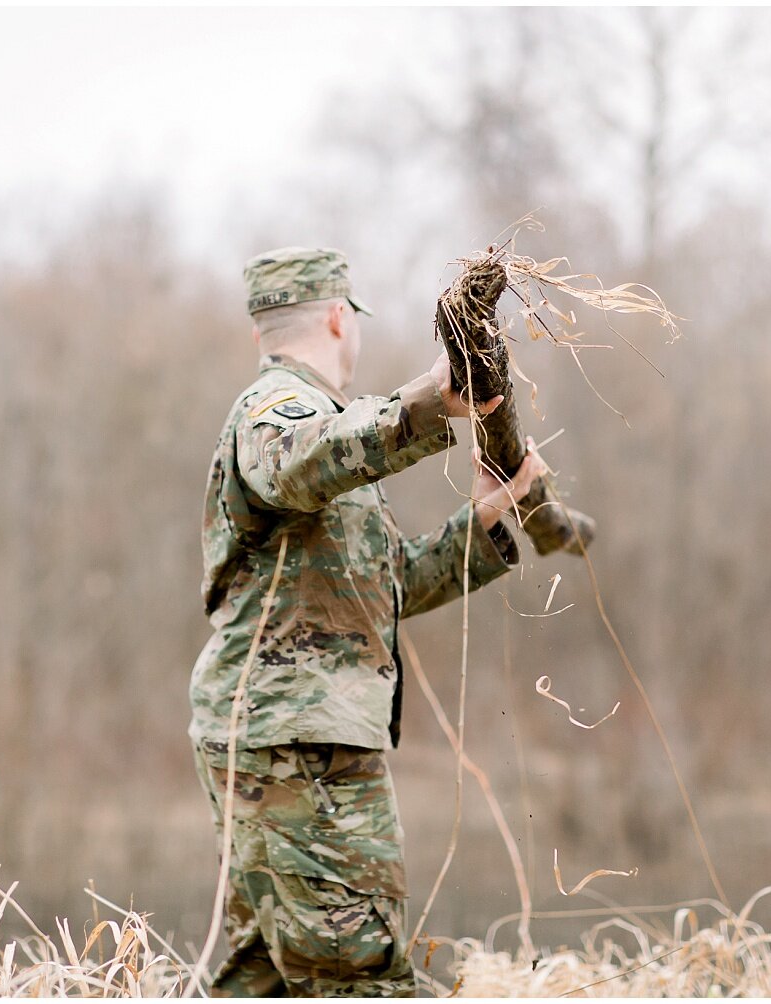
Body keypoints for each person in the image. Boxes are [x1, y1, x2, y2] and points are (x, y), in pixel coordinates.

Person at [189, 247, 547, 997]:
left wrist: (484, 523)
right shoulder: (276, 410)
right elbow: (300, 461)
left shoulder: (320, 424)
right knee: (359, 976)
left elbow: (379, 593)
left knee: (271, 978)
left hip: (298, 736)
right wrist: (429, 402)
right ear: (336, 317)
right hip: (298, 745)